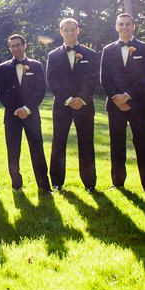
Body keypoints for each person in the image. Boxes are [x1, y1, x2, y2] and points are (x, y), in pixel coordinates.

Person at [99, 13, 145, 193]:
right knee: (117, 144)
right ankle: (117, 183)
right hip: (115, 105)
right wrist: (117, 98)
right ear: (116, 27)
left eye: (128, 24)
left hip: (137, 104)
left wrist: (128, 96)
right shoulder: (108, 50)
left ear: (133, 26)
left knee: (142, 144)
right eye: (121, 24)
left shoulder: (144, 48)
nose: (124, 27)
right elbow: (104, 78)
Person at [46, 17, 99, 191]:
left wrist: (81, 98)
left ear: (78, 30)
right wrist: (68, 100)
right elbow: (52, 81)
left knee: (86, 143)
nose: (69, 33)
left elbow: (92, 79)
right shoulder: (53, 56)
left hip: (84, 105)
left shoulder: (90, 54)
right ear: (61, 33)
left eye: (72, 29)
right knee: (58, 143)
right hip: (62, 105)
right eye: (66, 30)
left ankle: (90, 183)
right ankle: (56, 182)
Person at [0, 34, 49, 192]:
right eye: (12, 46)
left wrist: (26, 109)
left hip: (31, 114)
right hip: (12, 116)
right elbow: (2, 93)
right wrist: (16, 110)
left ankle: (44, 185)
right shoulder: (3, 68)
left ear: (25, 46)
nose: (15, 48)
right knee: (13, 150)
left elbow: (40, 90)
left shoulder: (36, 65)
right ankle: (16, 185)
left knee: (37, 149)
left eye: (18, 45)